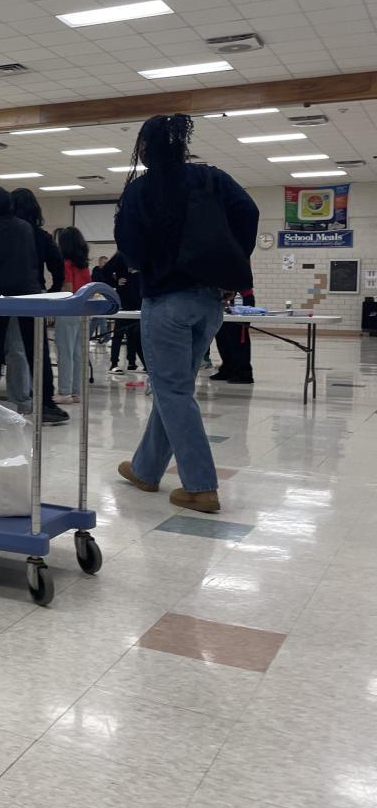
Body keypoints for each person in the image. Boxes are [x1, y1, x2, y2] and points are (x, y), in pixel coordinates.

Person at [115, 113, 258, 513]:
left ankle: (200, 486)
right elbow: (248, 212)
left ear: (145, 148)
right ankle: (145, 469)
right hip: (210, 302)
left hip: (166, 302)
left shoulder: (141, 190)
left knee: (173, 390)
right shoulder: (212, 178)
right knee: (175, 388)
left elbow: (129, 245)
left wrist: (149, 264)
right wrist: (230, 259)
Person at [0, 186, 68, 424]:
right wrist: (52, 290)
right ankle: (45, 402)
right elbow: (55, 265)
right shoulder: (29, 230)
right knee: (36, 349)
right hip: (29, 294)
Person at [53, 226, 91, 403]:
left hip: (68, 310)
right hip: (83, 310)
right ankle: (76, 391)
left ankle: (64, 391)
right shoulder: (84, 265)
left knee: (64, 352)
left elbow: (68, 289)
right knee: (78, 353)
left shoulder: (67, 264)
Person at [104, 253, 145, 374]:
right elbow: (105, 271)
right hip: (124, 301)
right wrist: (115, 282)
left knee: (134, 333)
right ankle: (114, 363)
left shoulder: (142, 254)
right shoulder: (121, 255)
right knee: (119, 333)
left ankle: (132, 363)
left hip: (139, 301)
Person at [212, 288, 255, 383]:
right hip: (222, 298)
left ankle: (243, 372)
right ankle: (228, 368)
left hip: (241, 298)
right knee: (222, 336)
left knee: (237, 337)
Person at [90, 254, 111, 343]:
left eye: (107, 263)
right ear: (100, 263)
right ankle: (106, 336)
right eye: (104, 263)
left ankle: (87, 336)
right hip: (97, 298)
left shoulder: (107, 272)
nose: (106, 265)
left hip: (104, 298)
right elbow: (100, 284)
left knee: (96, 318)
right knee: (101, 317)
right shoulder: (96, 272)